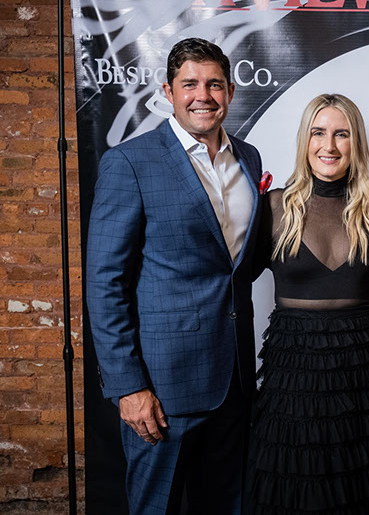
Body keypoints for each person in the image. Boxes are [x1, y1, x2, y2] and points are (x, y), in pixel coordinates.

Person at [86, 37, 263, 514]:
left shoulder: (248, 158)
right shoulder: (130, 163)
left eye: (214, 84)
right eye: (189, 84)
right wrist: (128, 386)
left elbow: (235, 265)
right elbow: (105, 284)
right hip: (162, 389)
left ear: (230, 91)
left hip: (234, 380)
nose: (202, 95)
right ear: (168, 91)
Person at [247, 94, 369, 514]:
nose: (330, 146)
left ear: (356, 143)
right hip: (294, 374)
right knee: (296, 487)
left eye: (342, 134)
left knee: (365, 487)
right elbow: (230, 276)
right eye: (318, 133)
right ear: (305, 140)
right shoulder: (274, 206)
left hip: (364, 375)